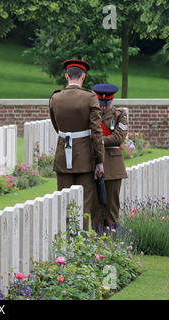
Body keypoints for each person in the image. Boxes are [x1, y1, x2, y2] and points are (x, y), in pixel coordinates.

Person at [49, 59, 105, 231]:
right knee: (85, 204)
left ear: (67, 76)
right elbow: (96, 132)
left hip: (62, 154)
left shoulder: (55, 98)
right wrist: (100, 160)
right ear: (83, 77)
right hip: (84, 158)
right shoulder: (90, 98)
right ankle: (83, 241)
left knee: (64, 202)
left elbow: (56, 126)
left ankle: (65, 240)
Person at [91, 84, 128, 231]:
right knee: (96, 208)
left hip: (113, 166)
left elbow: (118, 137)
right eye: (100, 103)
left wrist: (99, 141)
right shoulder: (92, 114)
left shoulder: (120, 115)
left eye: (106, 104)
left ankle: (112, 239)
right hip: (94, 163)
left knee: (112, 207)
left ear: (111, 101)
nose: (103, 107)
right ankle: (97, 238)